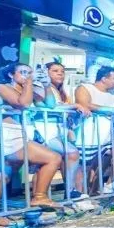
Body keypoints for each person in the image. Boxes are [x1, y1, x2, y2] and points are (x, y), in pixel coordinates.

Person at [0, 63, 64, 212]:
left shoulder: (29, 90)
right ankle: (39, 196)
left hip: (16, 136)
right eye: (23, 72)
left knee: (0, 178)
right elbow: (22, 103)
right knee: (53, 158)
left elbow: (50, 104)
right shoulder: (2, 87)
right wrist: (30, 82)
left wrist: (46, 85)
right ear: (12, 75)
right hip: (5, 135)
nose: (27, 75)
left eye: (30, 72)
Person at [32, 62, 88, 198]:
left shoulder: (60, 91)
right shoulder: (37, 86)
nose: (60, 74)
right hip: (44, 130)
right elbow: (46, 106)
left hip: (58, 130)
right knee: (71, 153)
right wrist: (74, 106)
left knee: (47, 165)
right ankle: (67, 193)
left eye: (62, 71)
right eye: (55, 71)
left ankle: (66, 194)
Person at [75, 67, 114, 194]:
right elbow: (85, 104)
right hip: (89, 132)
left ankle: (111, 185)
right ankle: (81, 196)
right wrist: (109, 110)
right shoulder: (85, 88)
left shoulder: (113, 94)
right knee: (86, 166)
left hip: (107, 133)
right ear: (104, 78)